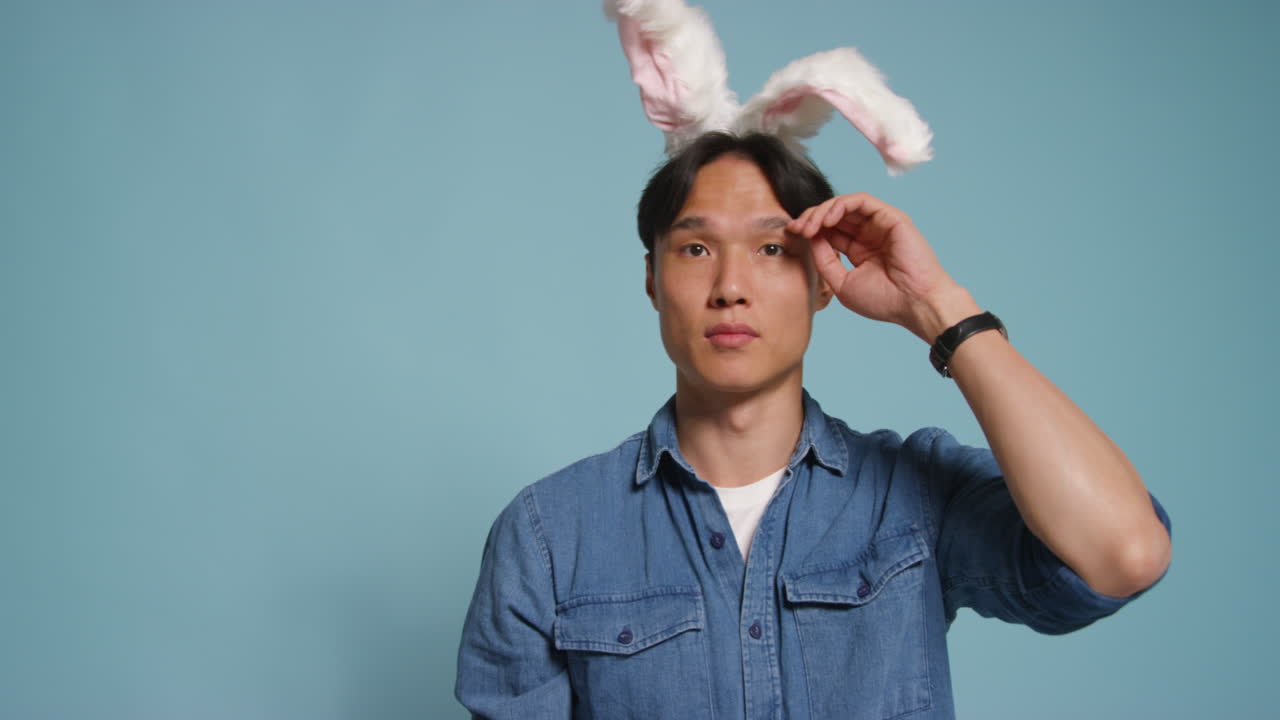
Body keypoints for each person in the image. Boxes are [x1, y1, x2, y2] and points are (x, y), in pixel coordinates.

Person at [454, 131, 1173, 719]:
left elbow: (1125, 552)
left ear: (824, 281)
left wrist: (939, 309)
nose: (730, 287)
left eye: (773, 249)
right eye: (696, 249)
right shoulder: (549, 535)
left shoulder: (912, 498)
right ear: (652, 279)